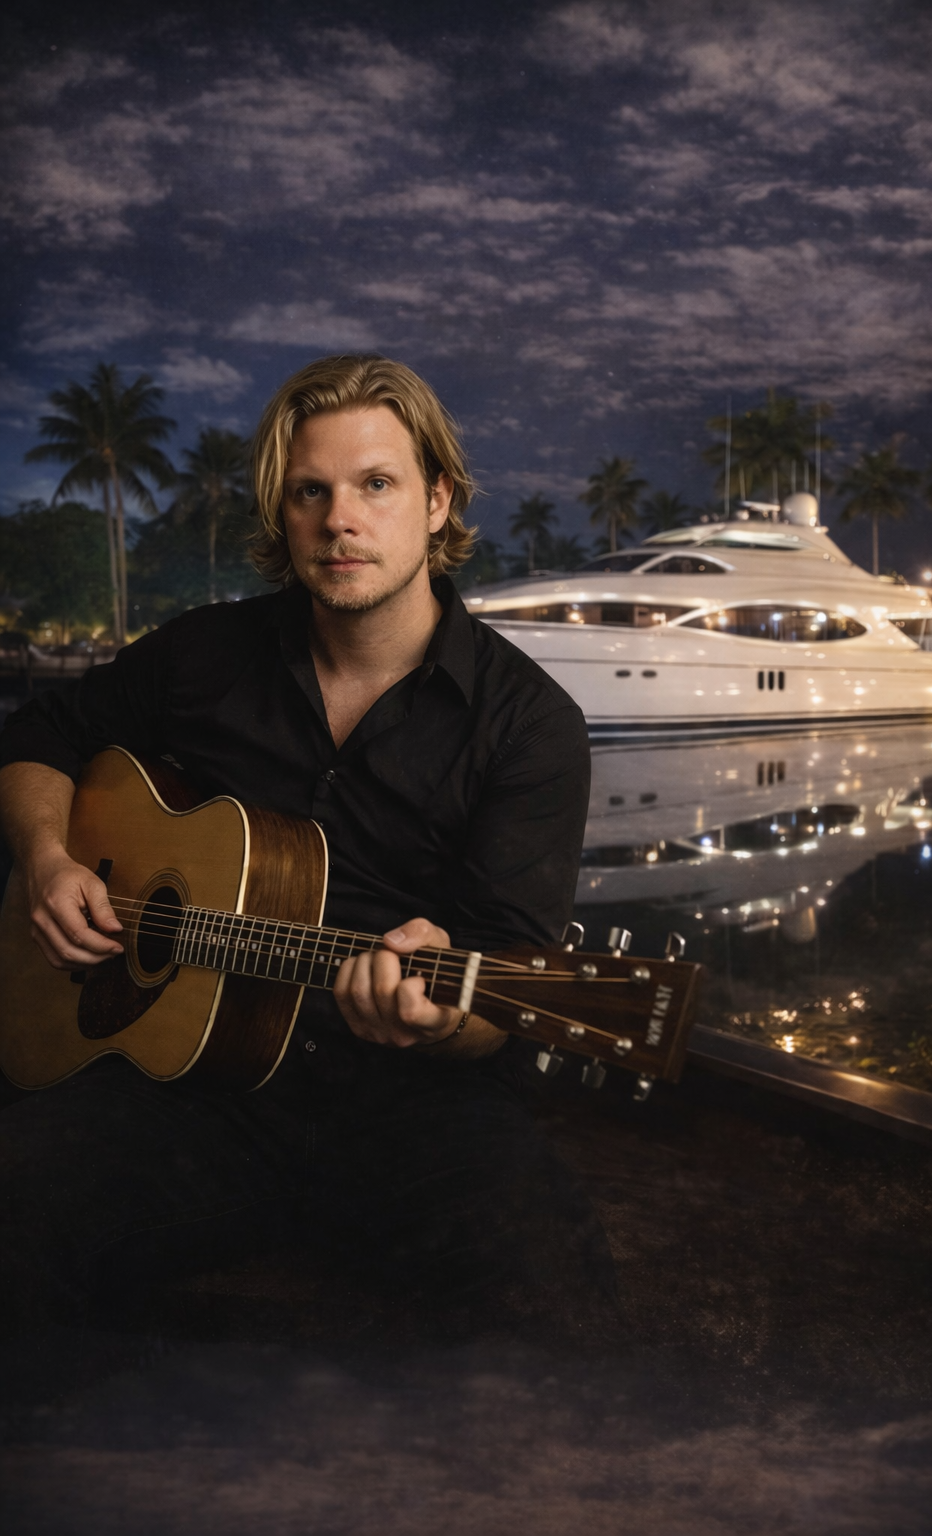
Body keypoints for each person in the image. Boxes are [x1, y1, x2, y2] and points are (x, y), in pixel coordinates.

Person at [0, 354, 617, 1341]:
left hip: (416, 1105)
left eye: (376, 484)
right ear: (282, 517)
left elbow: (507, 982)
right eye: (310, 492)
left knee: (553, 1304)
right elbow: (38, 739)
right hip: (192, 1092)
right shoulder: (201, 655)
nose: (341, 519)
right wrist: (47, 857)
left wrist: (438, 1018)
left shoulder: (528, 726)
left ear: (435, 502)